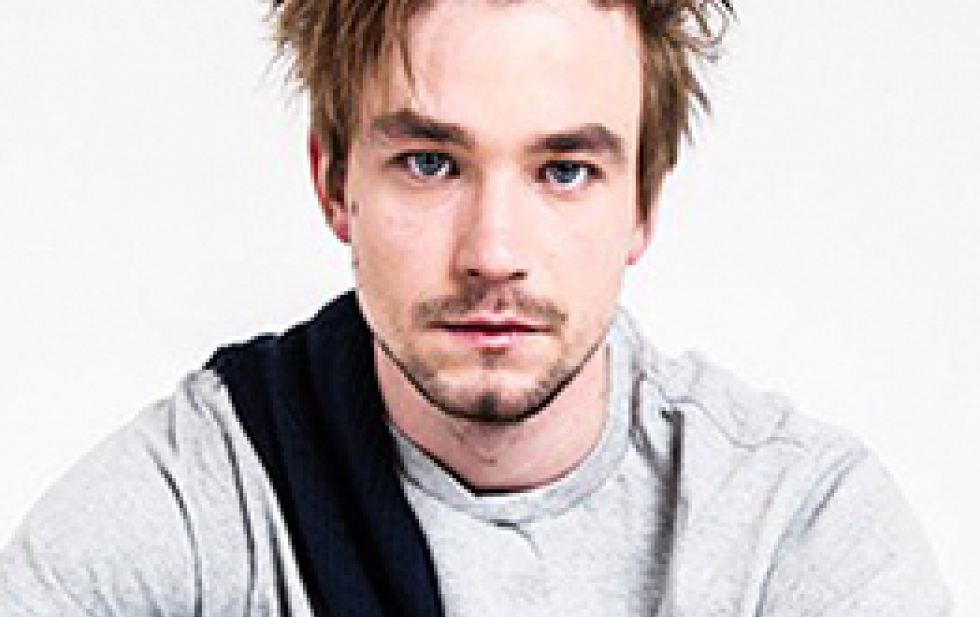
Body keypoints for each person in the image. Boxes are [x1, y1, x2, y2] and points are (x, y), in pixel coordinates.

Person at [0, 0, 950, 615]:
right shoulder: (207, 495)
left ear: (643, 205)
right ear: (334, 182)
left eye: (564, 170)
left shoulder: (793, 527)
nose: (493, 253)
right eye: (431, 164)